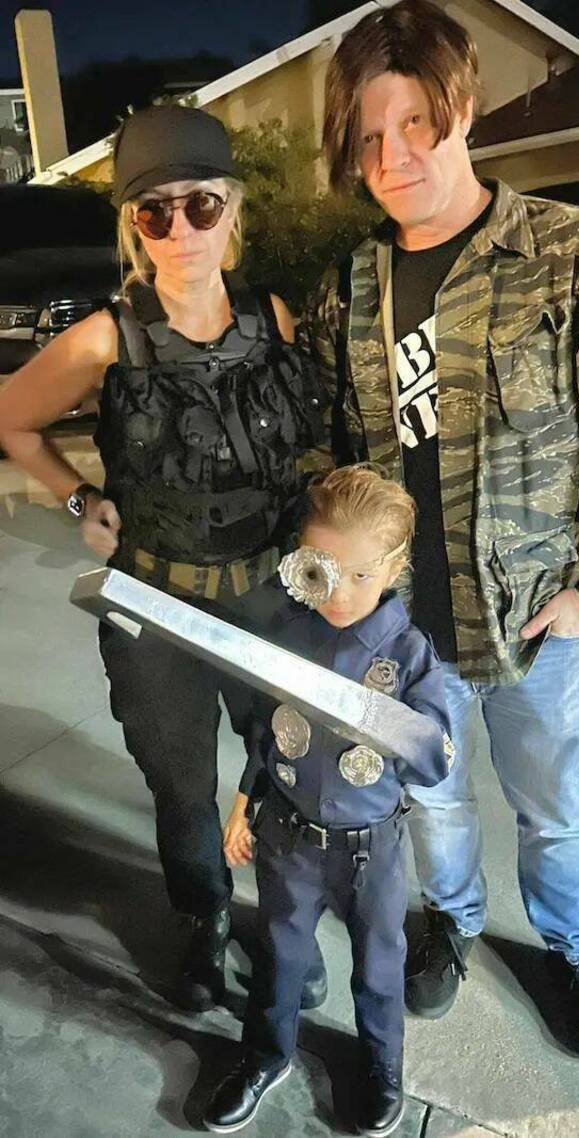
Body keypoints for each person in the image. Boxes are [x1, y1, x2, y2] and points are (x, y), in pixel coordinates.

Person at [300, 0, 579, 1063]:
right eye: (369, 135)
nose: (392, 156)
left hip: (536, 621)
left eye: (415, 123)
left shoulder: (572, 253)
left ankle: (574, 952)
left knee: (556, 811)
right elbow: (326, 460)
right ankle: (449, 921)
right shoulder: (349, 290)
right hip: (406, 631)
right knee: (435, 803)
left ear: (463, 110)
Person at [0, 102, 328, 1013]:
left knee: (284, 770)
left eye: (200, 205)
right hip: (156, 605)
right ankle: (205, 919)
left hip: (267, 596)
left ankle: (286, 924)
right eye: (154, 211)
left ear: (232, 209)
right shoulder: (106, 336)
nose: (180, 230)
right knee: (182, 784)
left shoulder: (273, 317)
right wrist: (80, 500)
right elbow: (12, 420)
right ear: (133, 226)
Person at [203, 466, 453, 1136]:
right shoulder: (291, 632)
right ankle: (265, 1054)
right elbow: (267, 735)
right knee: (279, 956)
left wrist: (381, 719)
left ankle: (381, 1066)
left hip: (371, 848)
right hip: (288, 837)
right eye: (322, 570)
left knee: (379, 965)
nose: (339, 592)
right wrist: (243, 805)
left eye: (361, 574)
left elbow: (434, 760)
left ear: (395, 568)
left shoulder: (410, 654)